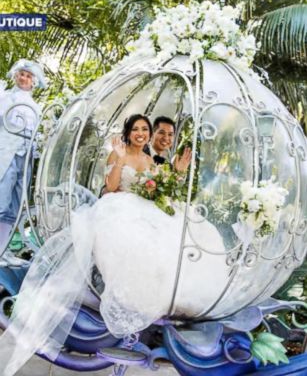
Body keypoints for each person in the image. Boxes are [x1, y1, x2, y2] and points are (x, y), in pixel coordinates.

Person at [0, 114, 226, 376]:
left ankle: (174, 300)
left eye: (145, 129)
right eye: (136, 129)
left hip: (146, 208)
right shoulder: (118, 154)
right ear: (128, 133)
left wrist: (178, 172)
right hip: (121, 205)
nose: (141, 133)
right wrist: (118, 157)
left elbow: (158, 190)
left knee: (183, 232)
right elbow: (111, 186)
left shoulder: (149, 159)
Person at [0, 59, 47, 261]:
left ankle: (2, 248)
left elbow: (37, 133)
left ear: (33, 81)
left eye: (28, 76)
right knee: (1, 198)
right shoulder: (6, 98)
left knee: (16, 204)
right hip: (7, 152)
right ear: (16, 75)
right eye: (22, 74)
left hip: (25, 156)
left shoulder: (36, 107)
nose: (24, 78)